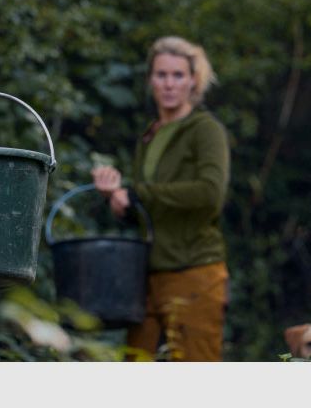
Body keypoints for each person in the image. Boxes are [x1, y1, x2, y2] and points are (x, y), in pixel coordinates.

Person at [91, 35, 230, 361]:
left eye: (178, 75)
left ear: (193, 81)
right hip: (147, 276)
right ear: (150, 79)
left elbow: (210, 193)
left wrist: (137, 193)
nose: (169, 84)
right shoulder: (149, 135)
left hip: (194, 272)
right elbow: (151, 208)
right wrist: (122, 204)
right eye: (161, 74)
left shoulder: (204, 130)